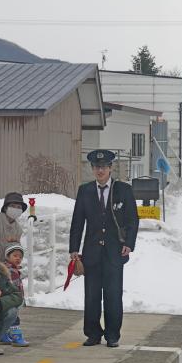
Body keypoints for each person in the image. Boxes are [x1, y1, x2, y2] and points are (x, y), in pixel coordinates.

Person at [69, 149, 139, 348]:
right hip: (91, 252)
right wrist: (74, 248)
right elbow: (77, 222)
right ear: (92, 169)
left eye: (104, 167)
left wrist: (129, 244)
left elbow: (133, 220)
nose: (100, 170)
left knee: (113, 294)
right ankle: (92, 333)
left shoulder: (123, 190)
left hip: (115, 252)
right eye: (96, 167)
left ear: (110, 168)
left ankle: (112, 335)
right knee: (91, 295)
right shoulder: (85, 190)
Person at [0, 242, 29, 347]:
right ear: (8, 256)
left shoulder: (15, 269)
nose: (18, 258)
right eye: (15, 256)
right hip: (11, 298)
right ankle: (17, 337)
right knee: (14, 318)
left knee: (13, 317)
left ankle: (3, 334)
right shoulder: (8, 270)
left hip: (15, 298)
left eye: (20, 256)